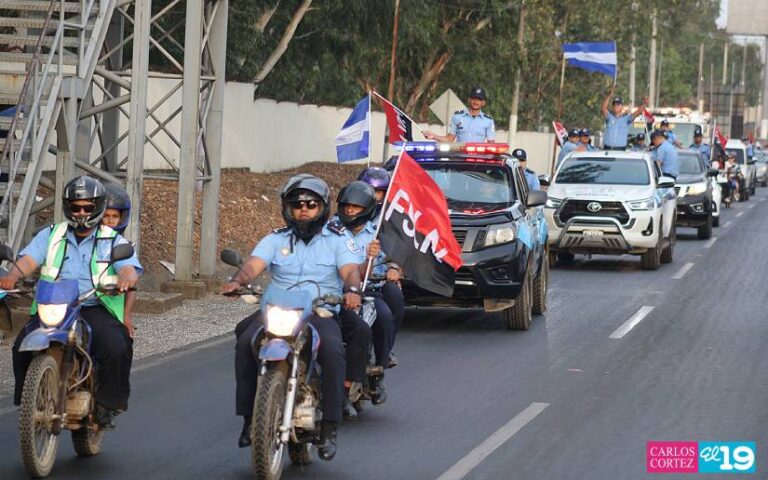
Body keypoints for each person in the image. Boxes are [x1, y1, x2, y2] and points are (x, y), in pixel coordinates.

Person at [223, 174, 362, 460]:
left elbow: (350, 270)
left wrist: (351, 289)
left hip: (319, 310)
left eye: (310, 204)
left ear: (322, 207)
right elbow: (253, 265)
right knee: (244, 339)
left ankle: (329, 427)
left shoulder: (338, 239)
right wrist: (238, 281)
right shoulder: (275, 238)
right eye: (297, 205)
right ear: (287, 208)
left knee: (334, 352)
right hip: (278, 309)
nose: (303, 210)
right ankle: (250, 419)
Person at [3, 176, 141, 429]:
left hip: (94, 305)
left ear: (97, 207)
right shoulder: (51, 234)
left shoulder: (113, 239)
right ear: (67, 206)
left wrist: (125, 278)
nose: (81, 212)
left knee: (115, 346)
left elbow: (129, 268)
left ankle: (108, 404)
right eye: (76, 206)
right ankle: (29, 400)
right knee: (21, 344)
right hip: (53, 306)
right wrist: (12, 275)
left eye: (87, 207)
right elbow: (29, 260)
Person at [335, 181, 396, 416]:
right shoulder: (328, 230)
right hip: (330, 293)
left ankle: (376, 372)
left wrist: (392, 266)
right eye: (347, 206)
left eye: (357, 207)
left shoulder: (379, 231)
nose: (350, 211)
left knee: (383, 317)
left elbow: (394, 255)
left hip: (367, 289)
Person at [357, 167, 405, 368]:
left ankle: (385, 352)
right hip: (349, 278)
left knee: (393, 300)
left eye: (378, 192)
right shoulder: (342, 220)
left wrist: (393, 268)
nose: (373, 196)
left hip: (378, 278)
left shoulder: (390, 219)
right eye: (368, 190)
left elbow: (399, 249)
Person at [101, 182, 137, 339]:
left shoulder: (124, 246)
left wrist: (126, 316)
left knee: (117, 347)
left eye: (115, 216)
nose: (110, 221)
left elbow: (133, 287)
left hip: (110, 309)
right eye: (106, 216)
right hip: (76, 306)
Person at [424, 87, 495, 143]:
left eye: (479, 99)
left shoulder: (488, 121)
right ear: (469, 100)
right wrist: (434, 136)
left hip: (478, 158)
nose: (475, 102)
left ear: (483, 103)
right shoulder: (458, 117)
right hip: (460, 157)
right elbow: (450, 139)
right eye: (473, 98)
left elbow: (491, 143)